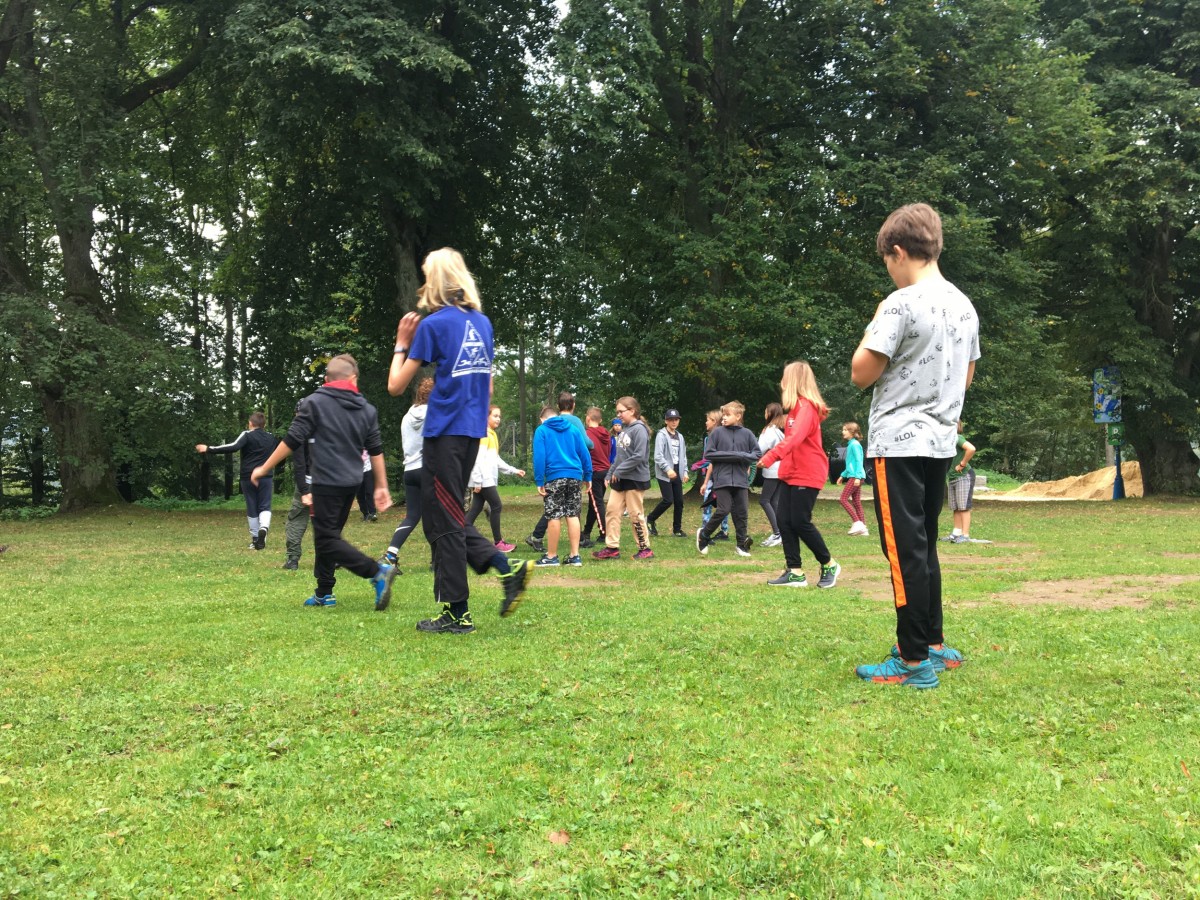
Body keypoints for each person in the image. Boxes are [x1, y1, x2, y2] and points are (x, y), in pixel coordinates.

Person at [850, 202, 980, 689]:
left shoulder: (899, 303)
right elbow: (966, 378)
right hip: (940, 443)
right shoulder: (964, 306)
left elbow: (861, 373)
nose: (889, 269)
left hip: (898, 444)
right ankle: (934, 644)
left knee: (904, 552)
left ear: (898, 251)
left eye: (887, 260)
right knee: (923, 545)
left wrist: (876, 320)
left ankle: (911, 660)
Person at [388, 247, 530, 632]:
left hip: (444, 433)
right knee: (441, 518)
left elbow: (396, 385)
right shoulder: (482, 323)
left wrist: (402, 341)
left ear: (435, 280)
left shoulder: (433, 325)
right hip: (470, 432)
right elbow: (488, 383)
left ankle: (469, 603)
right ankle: (484, 585)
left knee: (445, 518)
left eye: (425, 275)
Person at [250, 355, 397, 611]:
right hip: (351, 482)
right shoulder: (367, 409)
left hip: (326, 482)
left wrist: (264, 467)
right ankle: (324, 592)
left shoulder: (314, 403)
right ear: (353, 378)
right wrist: (381, 485)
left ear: (327, 379)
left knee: (327, 540)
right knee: (329, 537)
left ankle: (376, 572)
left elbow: (292, 439)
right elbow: (375, 450)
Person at [758, 361, 840, 589]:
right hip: (791, 473)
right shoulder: (795, 410)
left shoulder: (807, 408)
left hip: (808, 472)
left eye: (784, 378)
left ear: (793, 381)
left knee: (800, 521)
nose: (781, 383)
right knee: (784, 521)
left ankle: (829, 564)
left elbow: (794, 440)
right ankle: (795, 572)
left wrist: (771, 456)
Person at [196, 411, 279, 550]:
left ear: (250, 423)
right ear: (264, 425)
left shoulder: (247, 435)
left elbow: (233, 446)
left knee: (252, 505)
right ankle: (264, 528)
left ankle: (255, 539)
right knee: (265, 505)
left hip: (248, 476)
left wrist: (209, 449)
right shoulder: (271, 437)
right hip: (266, 476)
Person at [524, 391, 592, 553]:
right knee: (573, 514)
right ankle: (575, 555)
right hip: (575, 476)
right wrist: (588, 475)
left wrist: (539, 480)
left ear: (543, 419)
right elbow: (585, 453)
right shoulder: (573, 428)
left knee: (553, 515)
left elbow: (539, 457)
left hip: (555, 477)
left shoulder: (542, 430)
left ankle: (551, 556)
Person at [379, 377, 434, 570]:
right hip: (428, 469)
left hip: (409, 470)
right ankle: (437, 560)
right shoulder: (435, 413)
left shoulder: (407, 417)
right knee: (435, 516)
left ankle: (391, 554)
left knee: (412, 516)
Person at [695, 402, 760, 557]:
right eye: (723, 414)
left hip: (741, 480)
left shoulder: (747, 434)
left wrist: (741, 456)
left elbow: (757, 454)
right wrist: (737, 456)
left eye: (727, 415)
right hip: (722, 479)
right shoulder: (717, 433)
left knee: (741, 512)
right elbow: (709, 454)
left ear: (738, 416)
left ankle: (741, 545)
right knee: (724, 509)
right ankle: (704, 535)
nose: (723, 417)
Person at [593, 397, 654, 560]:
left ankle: (645, 548)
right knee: (612, 511)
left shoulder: (639, 429)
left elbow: (639, 456)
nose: (618, 415)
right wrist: (610, 473)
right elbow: (619, 458)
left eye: (621, 411)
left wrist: (618, 471)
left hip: (634, 480)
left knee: (635, 515)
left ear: (632, 411)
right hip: (619, 480)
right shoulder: (624, 430)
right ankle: (612, 548)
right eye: (617, 412)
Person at [466, 405, 526, 551]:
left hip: (485, 479)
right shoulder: (484, 435)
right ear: (486, 417)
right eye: (495, 416)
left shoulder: (492, 435)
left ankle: (458, 536)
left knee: (476, 508)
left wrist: (513, 470)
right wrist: (477, 481)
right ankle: (498, 542)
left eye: (499, 416)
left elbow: (496, 460)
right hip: (484, 479)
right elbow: (477, 458)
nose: (498, 419)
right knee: (496, 505)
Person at [646, 409, 689, 537]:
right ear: (666, 421)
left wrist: (685, 471)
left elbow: (683, 456)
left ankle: (677, 530)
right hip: (665, 473)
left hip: (677, 471)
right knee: (668, 500)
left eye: (676, 420)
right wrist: (668, 469)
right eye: (671, 420)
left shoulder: (680, 437)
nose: (674, 422)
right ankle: (650, 519)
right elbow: (658, 457)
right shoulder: (662, 435)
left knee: (679, 502)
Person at [282, 400, 314, 570]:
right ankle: (333, 558)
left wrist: (303, 489)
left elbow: (299, 462)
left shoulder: (298, 430)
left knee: (296, 518)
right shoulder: (327, 426)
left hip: (307, 480)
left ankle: (292, 559)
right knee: (327, 520)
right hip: (328, 481)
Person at [580, 407, 612, 548]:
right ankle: (586, 531)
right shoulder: (606, 434)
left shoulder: (587, 434)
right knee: (594, 504)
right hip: (605, 471)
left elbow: (584, 454)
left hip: (594, 472)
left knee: (597, 503)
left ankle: (605, 533)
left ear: (588, 418)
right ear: (600, 420)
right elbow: (609, 452)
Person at [697, 409, 730, 541]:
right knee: (722, 504)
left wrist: (705, 482)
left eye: (708, 420)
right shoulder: (708, 438)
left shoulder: (719, 438)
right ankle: (722, 530)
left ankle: (706, 531)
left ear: (714, 421)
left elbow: (712, 462)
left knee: (710, 503)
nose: (706, 422)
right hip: (715, 475)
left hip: (718, 477)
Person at [757, 403, 787, 547]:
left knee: (764, 500)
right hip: (782, 469)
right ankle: (782, 533)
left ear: (769, 413)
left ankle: (777, 533)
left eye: (765, 411)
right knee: (774, 501)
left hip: (772, 469)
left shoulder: (769, 430)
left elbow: (759, 449)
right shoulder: (779, 430)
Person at [947, 421, 977, 543]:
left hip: (964, 475)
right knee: (956, 507)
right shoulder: (946, 440)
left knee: (963, 507)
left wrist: (962, 464)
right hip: (953, 477)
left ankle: (965, 535)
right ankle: (956, 533)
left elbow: (971, 449)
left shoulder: (957, 437)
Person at [837, 422, 869, 536]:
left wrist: (858, 477)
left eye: (845, 430)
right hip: (855, 476)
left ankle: (857, 523)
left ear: (852, 432)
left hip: (856, 476)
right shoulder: (851, 444)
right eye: (843, 429)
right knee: (856, 502)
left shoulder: (855, 444)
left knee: (843, 499)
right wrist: (842, 475)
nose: (843, 432)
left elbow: (859, 461)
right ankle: (863, 529)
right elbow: (850, 464)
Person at [356, 449, 378, 522]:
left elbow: (375, 455)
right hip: (357, 472)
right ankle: (365, 514)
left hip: (368, 471)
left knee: (369, 492)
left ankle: (373, 513)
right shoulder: (353, 445)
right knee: (360, 495)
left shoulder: (368, 445)